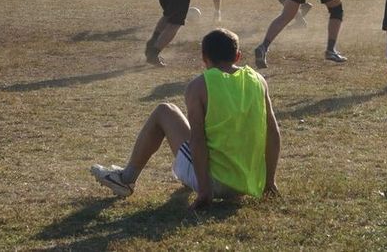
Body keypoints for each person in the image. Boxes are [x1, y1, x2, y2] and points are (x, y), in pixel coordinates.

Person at [91, 28, 281, 208]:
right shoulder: (258, 81)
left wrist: (204, 190)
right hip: (248, 182)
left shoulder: (199, 86)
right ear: (238, 56)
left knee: (165, 110)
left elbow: (197, 138)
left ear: (204, 58)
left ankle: (125, 179)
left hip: (215, 183)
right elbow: (273, 132)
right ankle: (198, 177)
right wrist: (269, 182)